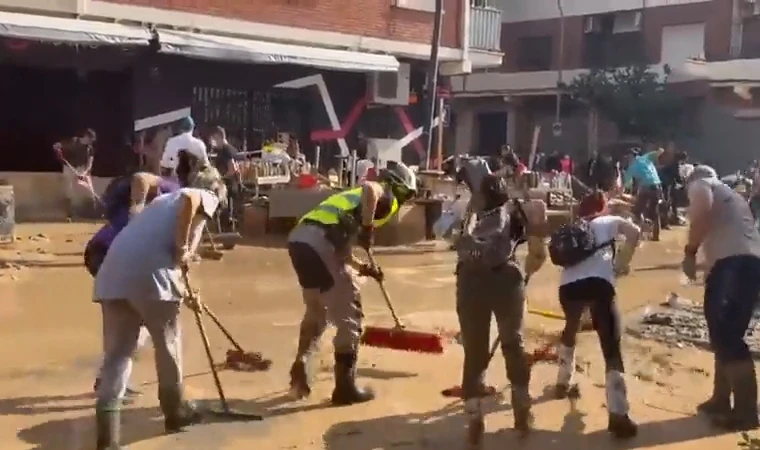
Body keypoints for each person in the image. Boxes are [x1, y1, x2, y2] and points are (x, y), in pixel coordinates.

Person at [92, 160, 227, 450]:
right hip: (148, 276)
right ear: (215, 190)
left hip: (112, 274)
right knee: (168, 345)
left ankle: (108, 439)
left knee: (118, 355)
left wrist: (187, 290)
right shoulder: (197, 194)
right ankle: (175, 412)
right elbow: (191, 205)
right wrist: (183, 249)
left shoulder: (163, 201)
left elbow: (172, 255)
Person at [286, 162, 417, 406]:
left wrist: (364, 268)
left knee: (317, 310)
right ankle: (345, 388)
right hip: (320, 241)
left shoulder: (348, 203)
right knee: (351, 316)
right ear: (402, 188)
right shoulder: (383, 194)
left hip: (300, 241)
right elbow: (370, 188)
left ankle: (301, 363)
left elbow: (342, 253)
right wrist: (368, 229)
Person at [455, 174, 548, 445]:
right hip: (507, 280)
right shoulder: (518, 211)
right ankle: (521, 413)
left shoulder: (467, 212)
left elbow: (451, 236)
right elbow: (538, 254)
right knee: (514, 344)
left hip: (470, 282)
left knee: (474, 352)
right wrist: (527, 271)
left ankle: (474, 421)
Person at [551, 191, 640, 439]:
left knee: (571, 327)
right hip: (599, 285)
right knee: (611, 346)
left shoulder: (573, 226)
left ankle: (562, 381)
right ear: (603, 208)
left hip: (567, 287)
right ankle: (618, 414)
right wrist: (621, 263)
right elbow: (635, 233)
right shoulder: (608, 221)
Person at [86, 172, 179, 397]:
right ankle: (109, 378)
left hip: (102, 251)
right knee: (139, 324)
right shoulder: (176, 192)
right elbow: (140, 177)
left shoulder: (163, 204)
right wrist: (136, 209)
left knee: (120, 323)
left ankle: (110, 380)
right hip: (111, 253)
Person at [682, 165, 760, 431]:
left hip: (732, 264)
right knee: (725, 332)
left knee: (725, 334)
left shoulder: (701, 185)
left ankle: (747, 411)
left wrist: (690, 252)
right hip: (749, 264)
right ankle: (721, 399)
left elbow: (701, 213)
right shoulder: (734, 195)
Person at [623, 147, 664, 241]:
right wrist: (659, 150)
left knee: (637, 211)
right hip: (657, 186)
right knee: (655, 212)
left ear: (630, 156)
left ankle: (639, 233)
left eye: (628, 157)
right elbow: (660, 151)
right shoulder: (646, 157)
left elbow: (627, 185)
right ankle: (655, 236)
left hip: (646, 188)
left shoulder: (630, 168)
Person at [54, 129, 96, 219]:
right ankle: (70, 212)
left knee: (88, 189)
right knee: (68, 189)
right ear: (86, 137)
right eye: (90, 139)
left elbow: (89, 164)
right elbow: (60, 145)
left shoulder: (90, 149)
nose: (91, 142)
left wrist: (84, 173)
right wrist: (57, 147)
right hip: (69, 167)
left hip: (81, 168)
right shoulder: (74, 141)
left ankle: (92, 211)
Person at [209, 126, 242, 231]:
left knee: (226, 211)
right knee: (227, 211)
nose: (212, 142)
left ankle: (227, 233)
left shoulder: (227, 150)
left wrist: (221, 178)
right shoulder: (227, 149)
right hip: (231, 184)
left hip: (228, 185)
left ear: (219, 137)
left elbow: (233, 168)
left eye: (214, 138)